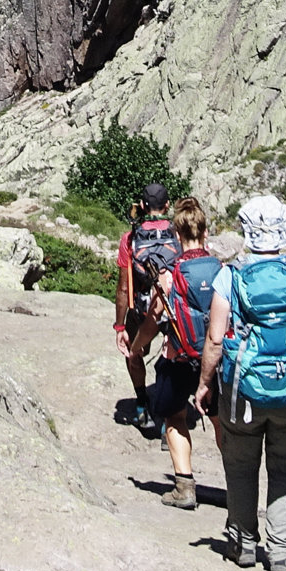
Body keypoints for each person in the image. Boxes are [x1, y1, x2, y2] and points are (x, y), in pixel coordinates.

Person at [193, 195, 286, 571]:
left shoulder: (230, 277)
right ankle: (282, 554)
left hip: (242, 392)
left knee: (240, 465)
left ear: (247, 231)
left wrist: (205, 385)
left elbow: (215, 340)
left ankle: (243, 542)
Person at [145, 195, 222, 509]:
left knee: (174, 417)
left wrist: (136, 346)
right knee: (220, 422)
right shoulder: (224, 272)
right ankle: (239, 485)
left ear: (177, 236)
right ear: (205, 234)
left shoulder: (168, 274)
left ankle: (184, 487)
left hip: (178, 357)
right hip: (214, 360)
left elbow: (153, 318)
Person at [113, 182, 180, 436]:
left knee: (134, 353)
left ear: (141, 206)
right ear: (166, 205)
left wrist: (120, 326)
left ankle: (142, 407)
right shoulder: (177, 234)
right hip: (172, 308)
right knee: (171, 357)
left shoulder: (130, 238)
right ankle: (169, 422)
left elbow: (122, 288)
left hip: (142, 308)